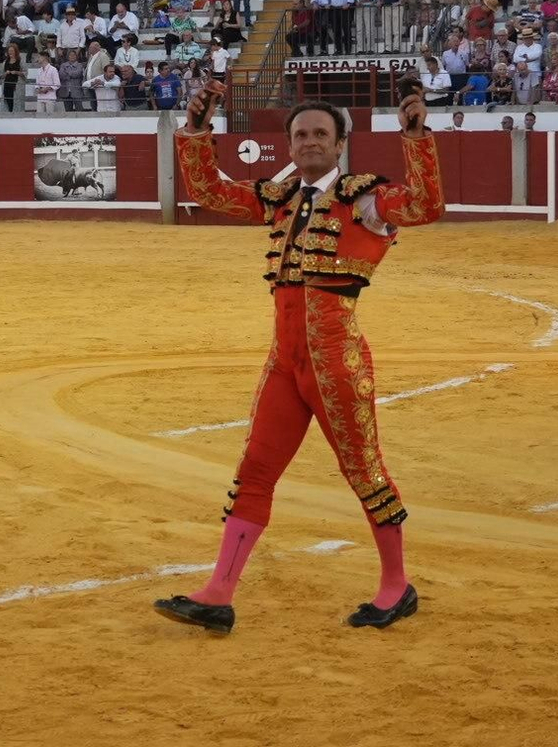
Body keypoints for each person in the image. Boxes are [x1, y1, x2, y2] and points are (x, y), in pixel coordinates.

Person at [154, 84, 444, 635]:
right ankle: (219, 592)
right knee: (254, 471)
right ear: (289, 144)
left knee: (364, 471)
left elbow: (427, 205)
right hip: (285, 363)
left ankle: (396, 585)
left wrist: (415, 139)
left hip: (337, 362)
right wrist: (195, 131)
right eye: (300, 135)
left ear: (340, 145)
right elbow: (211, 193)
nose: (309, 142)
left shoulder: (365, 198)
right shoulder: (281, 197)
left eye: (320, 135)